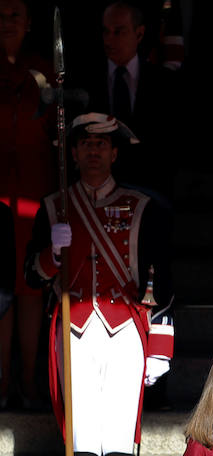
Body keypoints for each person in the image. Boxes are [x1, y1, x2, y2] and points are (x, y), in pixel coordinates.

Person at [25, 112, 174, 456]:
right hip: (73, 328)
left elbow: (162, 281)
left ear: (114, 152)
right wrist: (52, 253)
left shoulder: (141, 206)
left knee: (120, 436)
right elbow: (33, 277)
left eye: (101, 145)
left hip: (127, 329)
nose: (93, 151)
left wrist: (161, 345)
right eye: (84, 144)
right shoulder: (54, 208)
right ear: (72, 153)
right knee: (83, 433)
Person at [0, 0, 55, 408]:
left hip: (36, 193)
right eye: (1, 15)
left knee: (30, 287)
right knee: (1, 290)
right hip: (0, 196)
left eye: (15, 14)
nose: (7, 22)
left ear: (29, 21)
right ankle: (2, 383)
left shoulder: (44, 71)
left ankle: (30, 381)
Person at [80, 1, 177, 199]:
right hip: (98, 196)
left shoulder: (163, 83)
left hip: (151, 195)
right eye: (106, 31)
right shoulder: (85, 81)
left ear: (139, 34)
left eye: (119, 31)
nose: (109, 39)